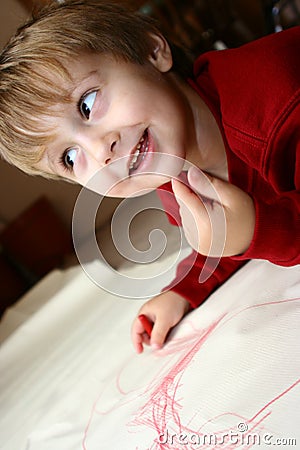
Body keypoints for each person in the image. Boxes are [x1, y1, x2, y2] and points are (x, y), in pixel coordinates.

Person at [0, 1, 299, 353]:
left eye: (87, 104)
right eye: (69, 157)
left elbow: (246, 227)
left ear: (152, 50)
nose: (100, 150)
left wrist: (258, 230)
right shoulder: (174, 179)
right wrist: (183, 290)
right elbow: (217, 238)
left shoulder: (278, 102)